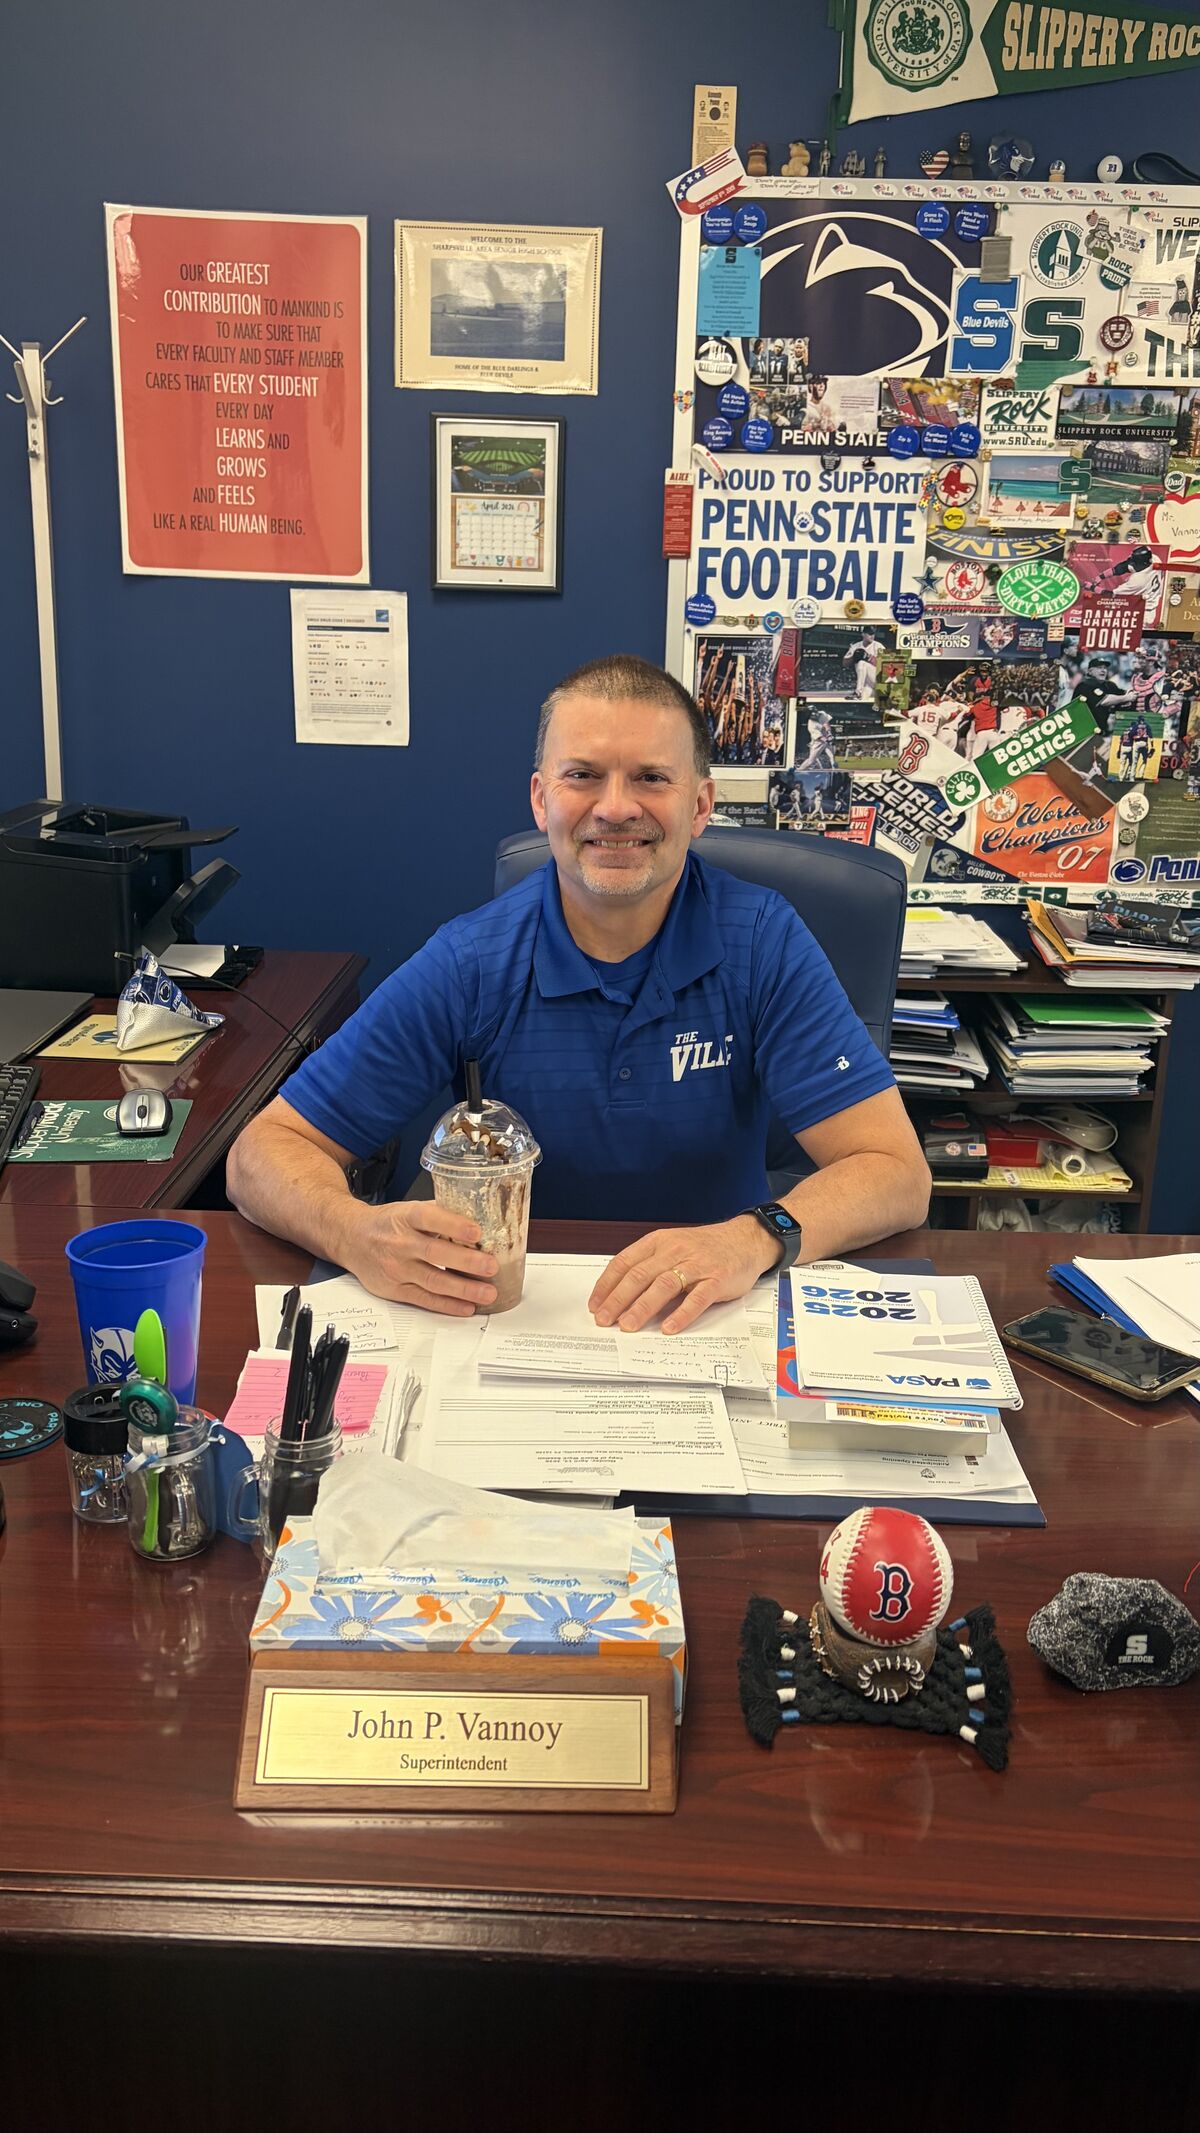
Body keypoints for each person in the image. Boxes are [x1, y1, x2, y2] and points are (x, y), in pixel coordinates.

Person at [228, 655, 930, 1332]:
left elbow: (896, 1173)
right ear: (542, 799)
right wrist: (355, 1231)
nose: (616, 807)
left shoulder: (763, 941)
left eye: (651, 777)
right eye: (583, 776)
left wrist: (756, 1236)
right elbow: (262, 1153)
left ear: (701, 804)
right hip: (510, 1313)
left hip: (710, 1312)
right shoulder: (471, 960)